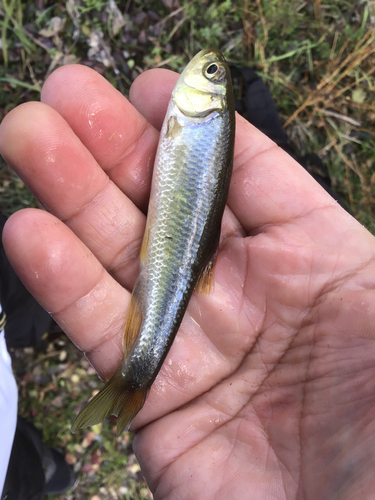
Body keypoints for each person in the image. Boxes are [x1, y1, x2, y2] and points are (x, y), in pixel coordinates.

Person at [0, 61, 374, 500]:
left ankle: (133, 380)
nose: (204, 68)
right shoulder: (202, 122)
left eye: (210, 71)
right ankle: (121, 393)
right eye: (215, 71)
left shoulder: (204, 121)